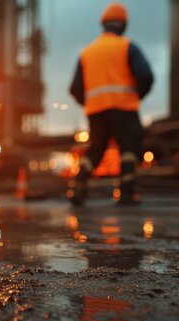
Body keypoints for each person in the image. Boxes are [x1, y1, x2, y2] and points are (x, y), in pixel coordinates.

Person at [68, 2, 154, 206]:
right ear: (123, 25)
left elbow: (74, 88)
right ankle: (126, 193)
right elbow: (146, 76)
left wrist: (90, 103)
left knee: (96, 149)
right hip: (124, 108)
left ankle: (78, 186)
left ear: (103, 24)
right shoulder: (127, 47)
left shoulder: (87, 52)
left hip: (96, 111)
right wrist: (136, 96)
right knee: (128, 149)